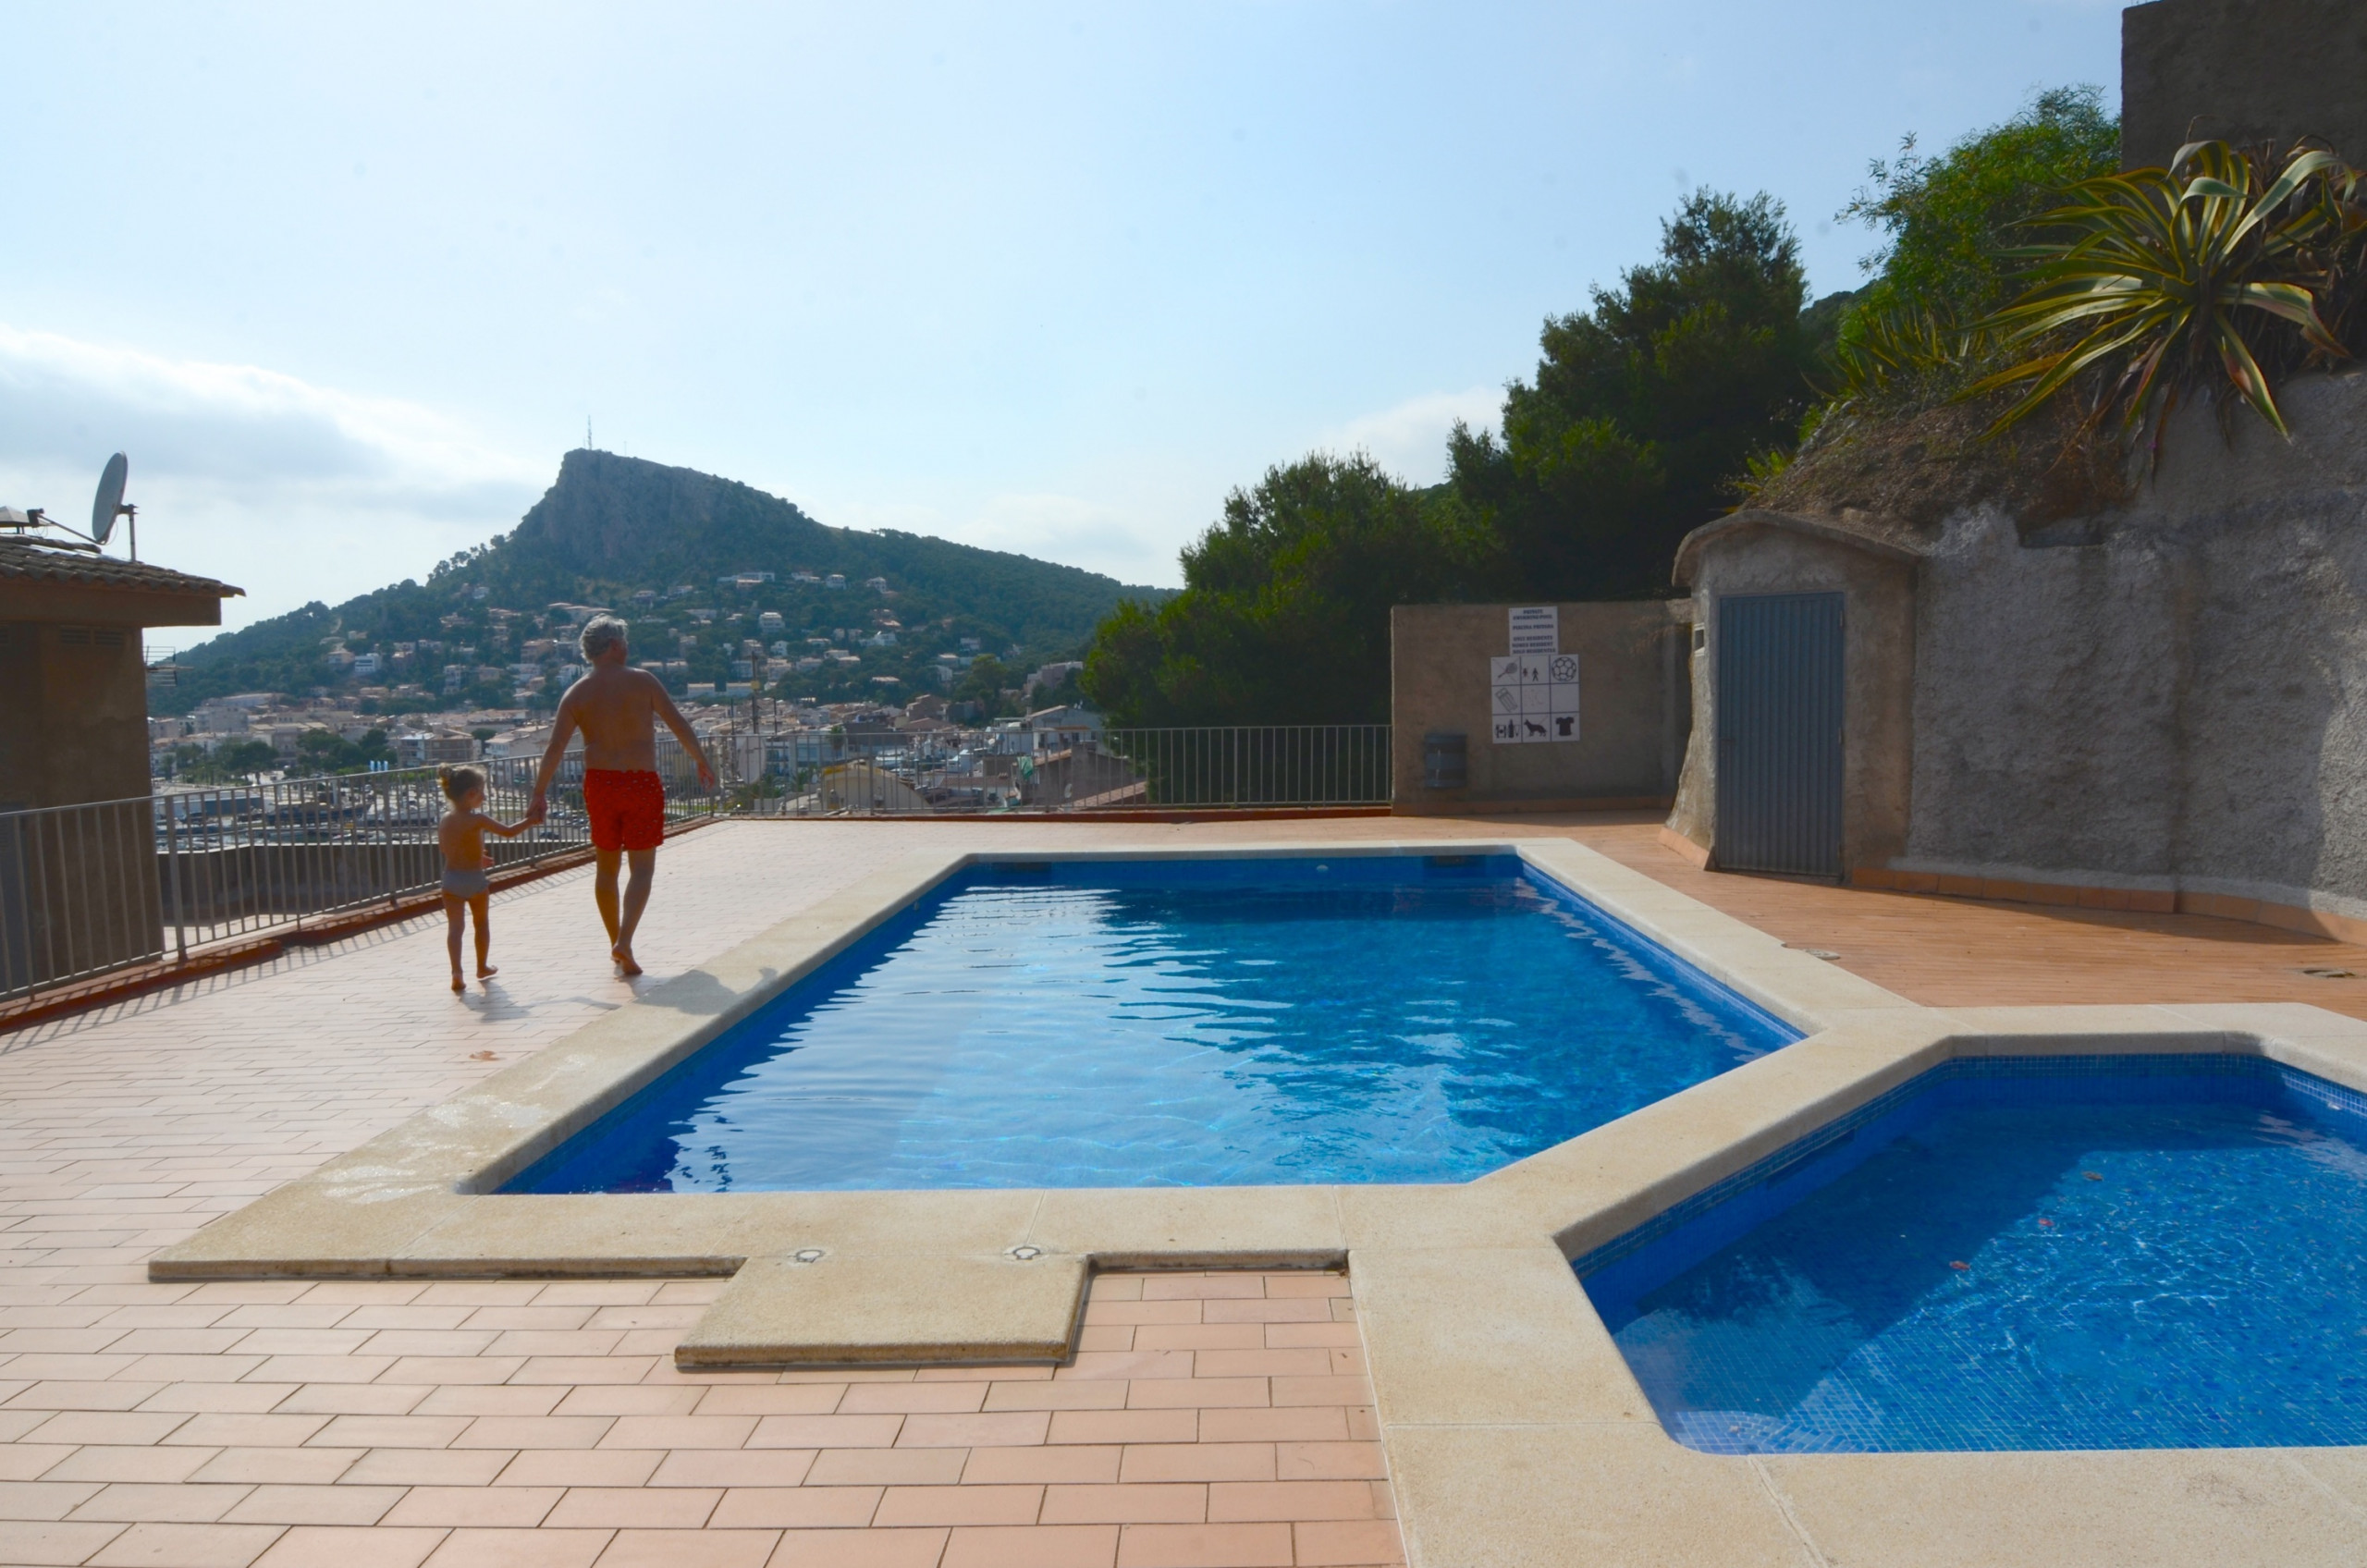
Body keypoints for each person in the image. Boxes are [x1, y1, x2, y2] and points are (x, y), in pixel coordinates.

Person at [529, 614, 717, 976]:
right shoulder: (642, 681)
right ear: (615, 645)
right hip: (640, 782)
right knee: (641, 868)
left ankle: (615, 940)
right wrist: (701, 761)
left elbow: (554, 748)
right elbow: (678, 723)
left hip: (600, 785)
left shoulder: (576, 693)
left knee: (606, 868)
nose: (628, 647)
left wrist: (539, 793)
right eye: (625, 642)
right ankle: (625, 941)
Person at [436, 764, 534, 993]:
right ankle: (481, 967)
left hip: (451, 880)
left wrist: (474, 856)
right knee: (481, 924)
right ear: (472, 793)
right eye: (482, 791)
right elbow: (508, 832)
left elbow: (446, 848)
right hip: (474, 880)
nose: (485, 796)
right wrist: (530, 821)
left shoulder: (446, 819)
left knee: (455, 928)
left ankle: (456, 972)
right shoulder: (478, 819)